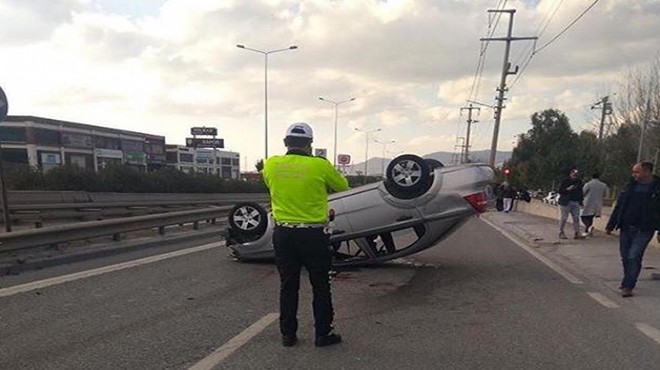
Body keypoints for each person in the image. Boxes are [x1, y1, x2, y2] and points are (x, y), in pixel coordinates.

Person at [263, 122, 350, 347]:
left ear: (285, 143)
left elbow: (271, 186)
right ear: (310, 144)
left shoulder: (271, 164)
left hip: (283, 234)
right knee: (320, 284)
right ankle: (323, 334)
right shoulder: (319, 166)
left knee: (288, 285)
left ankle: (288, 335)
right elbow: (343, 187)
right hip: (313, 235)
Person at [606, 162, 660, 298]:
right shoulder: (630, 186)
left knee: (633, 256)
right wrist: (611, 224)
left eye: (637, 172)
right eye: (633, 172)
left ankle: (628, 285)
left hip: (644, 229)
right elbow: (620, 205)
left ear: (647, 172)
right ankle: (628, 278)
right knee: (625, 256)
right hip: (626, 227)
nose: (634, 175)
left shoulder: (657, 188)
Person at [557, 168, 585, 240]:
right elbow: (560, 191)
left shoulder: (579, 182)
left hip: (575, 202)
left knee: (576, 218)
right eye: (573, 174)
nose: (575, 176)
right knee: (564, 218)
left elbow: (580, 193)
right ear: (571, 174)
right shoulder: (565, 181)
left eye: (576, 175)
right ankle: (561, 232)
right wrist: (567, 189)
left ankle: (577, 233)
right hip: (566, 202)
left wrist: (581, 202)